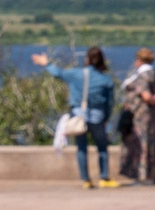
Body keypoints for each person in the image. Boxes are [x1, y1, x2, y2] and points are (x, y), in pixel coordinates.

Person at [35, 47, 116, 187]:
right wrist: (106, 118)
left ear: (87, 59)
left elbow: (58, 73)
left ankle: (86, 180)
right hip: (97, 116)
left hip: (78, 116)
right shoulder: (106, 80)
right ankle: (104, 177)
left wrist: (46, 63)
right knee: (102, 148)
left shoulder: (76, 74)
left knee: (81, 148)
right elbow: (109, 103)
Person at [118, 48, 155, 185]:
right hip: (148, 113)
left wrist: (152, 100)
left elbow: (146, 95)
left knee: (141, 143)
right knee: (149, 142)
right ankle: (150, 174)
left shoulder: (143, 75)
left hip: (140, 114)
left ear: (140, 60)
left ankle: (143, 176)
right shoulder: (153, 73)